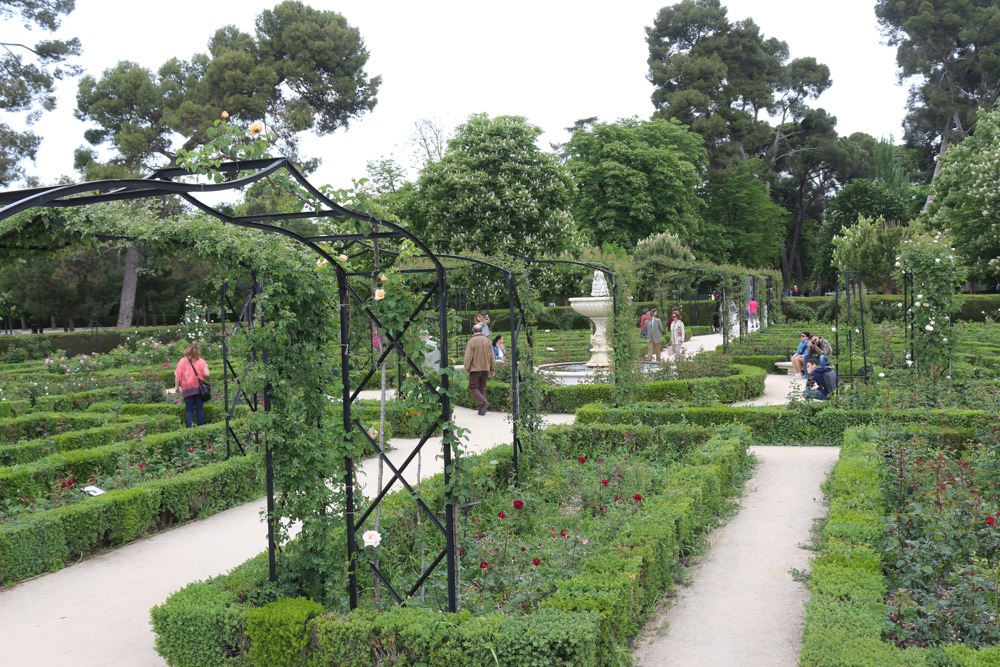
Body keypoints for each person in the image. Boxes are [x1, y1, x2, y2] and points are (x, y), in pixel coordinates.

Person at [174, 342, 210, 428]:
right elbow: (207, 374)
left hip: (187, 389)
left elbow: (177, 375)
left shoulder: (182, 361)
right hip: (199, 389)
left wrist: (176, 387)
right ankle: (201, 428)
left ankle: (190, 429)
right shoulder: (201, 361)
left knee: (189, 410)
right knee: (199, 409)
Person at [463, 323, 495, 415]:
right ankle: (481, 410)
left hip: (475, 368)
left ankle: (483, 403)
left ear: (473, 331)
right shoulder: (487, 340)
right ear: (481, 331)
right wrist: (492, 368)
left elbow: (468, 356)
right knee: (482, 388)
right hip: (485, 368)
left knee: (473, 388)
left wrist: (467, 368)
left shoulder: (472, 341)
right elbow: (492, 356)